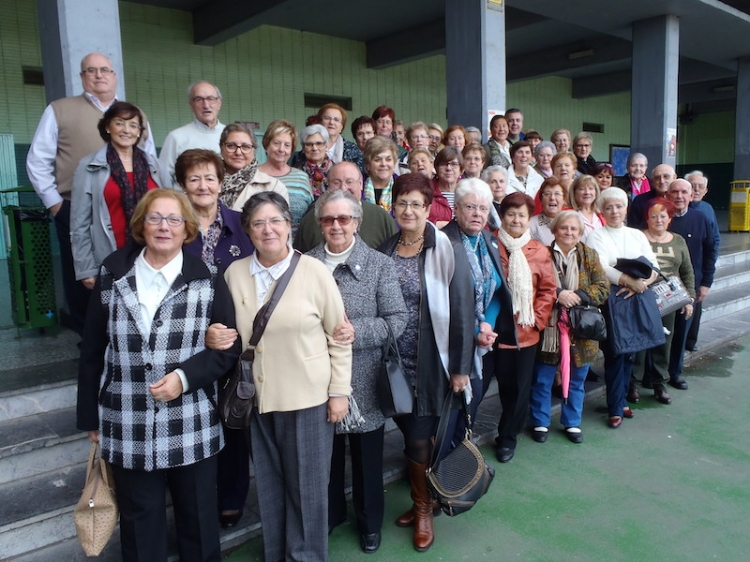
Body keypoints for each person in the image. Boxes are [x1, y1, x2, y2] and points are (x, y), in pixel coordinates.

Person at [77, 189, 241, 562]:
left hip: (191, 419)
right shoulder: (112, 273)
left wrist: (184, 377)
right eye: (155, 218)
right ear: (140, 226)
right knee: (139, 521)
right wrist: (90, 414)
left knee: (199, 519)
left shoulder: (208, 278)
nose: (164, 227)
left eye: (173, 220)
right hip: (126, 418)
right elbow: (90, 349)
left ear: (187, 229)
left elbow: (228, 348)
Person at [222, 192, 352, 561]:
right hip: (258, 398)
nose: (268, 230)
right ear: (247, 230)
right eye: (258, 223)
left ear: (289, 225)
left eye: (275, 221)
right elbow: (229, 330)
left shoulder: (314, 271)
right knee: (270, 483)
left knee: (308, 490)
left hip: (308, 398)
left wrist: (339, 392)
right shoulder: (235, 273)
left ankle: (307, 556)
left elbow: (339, 336)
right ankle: (278, 553)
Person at [306, 189, 407, 554]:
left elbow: (398, 318)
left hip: (364, 378)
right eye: (328, 219)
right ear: (320, 224)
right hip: (317, 379)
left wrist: (358, 331)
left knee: (367, 460)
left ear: (357, 222)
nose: (336, 225)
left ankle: (369, 524)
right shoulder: (305, 263)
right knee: (325, 457)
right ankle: (331, 515)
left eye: (344, 218)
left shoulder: (379, 265)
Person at [26, 52, 155, 335]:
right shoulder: (60, 109)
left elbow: (150, 158)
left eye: (104, 70)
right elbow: (37, 161)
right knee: (88, 284)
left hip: (135, 215)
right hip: (78, 209)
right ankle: (92, 347)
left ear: (114, 75)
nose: (98, 75)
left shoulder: (135, 112)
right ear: (82, 76)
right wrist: (56, 205)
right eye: (91, 71)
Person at [378, 173, 474, 552]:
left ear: (428, 207)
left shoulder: (445, 247)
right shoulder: (385, 248)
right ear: (393, 206)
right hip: (392, 364)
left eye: (416, 203)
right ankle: (430, 497)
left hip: (433, 360)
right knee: (412, 434)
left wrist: (462, 367)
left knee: (419, 439)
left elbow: (463, 309)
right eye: (402, 202)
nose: (408, 210)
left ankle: (422, 508)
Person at [177, 149, 254, 528]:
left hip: (238, 337)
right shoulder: (173, 226)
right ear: (182, 185)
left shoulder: (242, 224)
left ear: (221, 183)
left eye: (210, 178)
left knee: (234, 415)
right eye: (194, 179)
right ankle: (196, 498)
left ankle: (232, 494)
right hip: (187, 341)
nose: (203, 185)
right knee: (194, 418)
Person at [529, 211, 608, 444]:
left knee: (576, 380)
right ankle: (540, 422)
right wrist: (557, 295)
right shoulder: (541, 253)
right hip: (548, 328)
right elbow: (531, 287)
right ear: (554, 230)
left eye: (574, 229)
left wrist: (578, 295)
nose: (569, 233)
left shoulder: (589, 255)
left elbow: (603, 288)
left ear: (580, 232)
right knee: (542, 380)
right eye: (564, 228)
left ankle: (572, 422)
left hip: (581, 331)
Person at [71, 101, 168, 289]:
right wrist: (86, 268)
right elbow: (79, 223)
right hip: (110, 255)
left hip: (154, 254)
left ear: (140, 131)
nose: (126, 130)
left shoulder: (154, 165)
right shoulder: (89, 166)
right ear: (107, 126)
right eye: (119, 123)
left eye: (133, 125)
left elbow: (171, 210)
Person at [585, 187, 659, 429]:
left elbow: (654, 265)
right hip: (612, 299)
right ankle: (615, 407)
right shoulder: (596, 236)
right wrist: (628, 281)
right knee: (616, 353)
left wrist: (643, 283)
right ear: (602, 211)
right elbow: (602, 267)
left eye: (619, 206)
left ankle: (621, 400)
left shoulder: (637, 235)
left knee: (631, 352)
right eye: (609, 207)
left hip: (639, 296)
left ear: (626, 208)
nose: (614, 211)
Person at [442, 179, 513, 426]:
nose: (477, 214)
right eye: (470, 207)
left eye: (483, 208)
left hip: (483, 339)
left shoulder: (488, 239)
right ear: (457, 209)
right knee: (451, 412)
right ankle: (445, 462)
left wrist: (487, 326)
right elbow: (443, 302)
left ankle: (464, 460)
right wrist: (474, 331)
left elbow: (496, 290)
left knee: (472, 404)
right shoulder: (443, 243)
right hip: (451, 343)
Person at [492, 192, 556, 462]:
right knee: (494, 386)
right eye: (511, 214)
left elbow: (548, 289)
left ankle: (508, 438)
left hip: (524, 333)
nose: (516, 219)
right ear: (502, 217)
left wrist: (537, 321)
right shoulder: (490, 244)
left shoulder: (538, 250)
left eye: (522, 215)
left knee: (518, 390)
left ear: (529, 219)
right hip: (492, 331)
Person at [633, 197, 695, 405]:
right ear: (647, 218)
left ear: (669, 219)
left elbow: (687, 272)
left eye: (663, 216)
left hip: (670, 298)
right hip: (641, 296)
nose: (658, 220)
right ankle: (633, 384)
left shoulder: (678, 241)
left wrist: (689, 298)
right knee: (639, 340)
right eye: (654, 216)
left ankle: (660, 383)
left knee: (663, 341)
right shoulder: (637, 238)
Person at [666, 179, 717, 390]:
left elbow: (711, 251)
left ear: (691, 195)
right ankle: (654, 373)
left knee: (681, 332)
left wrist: (706, 283)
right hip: (662, 287)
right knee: (662, 332)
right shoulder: (661, 217)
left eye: (684, 192)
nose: (679, 196)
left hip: (690, 286)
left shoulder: (701, 218)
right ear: (668, 195)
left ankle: (675, 373)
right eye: (675, 192)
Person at [294, 162, 397, 252]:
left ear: (360, 184)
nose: (343, 188)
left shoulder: (380, 217)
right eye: (336, 182)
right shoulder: (312, 219)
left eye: (349, 182)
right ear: (328, 185)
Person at [159, 81, 225, 185]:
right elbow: (163, 177)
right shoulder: (176, 137)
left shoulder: (231, 136)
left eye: (210, 99)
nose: (206, 105)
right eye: (199, 100)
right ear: (191, 105)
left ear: (219, 103)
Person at [684, 170, 720, 351]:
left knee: (697, 305)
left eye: (701, 187)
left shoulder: (707, 209)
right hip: (682, 267)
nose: (696, 190)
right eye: (693, 186)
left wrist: (709, 269)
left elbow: (714, 240)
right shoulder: (681, 207)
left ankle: (691, 341)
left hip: (699, 266)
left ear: (706, 191)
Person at [257, 119, 313, 233]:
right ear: (266, 145)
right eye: (276, 143)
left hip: (298, 245)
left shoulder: (302, 178)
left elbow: (309, 215)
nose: (281, 149)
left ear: (292, 150)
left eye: (287, 145)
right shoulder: (253, 175)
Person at [218, 122, 289, 210]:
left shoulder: (273, 187)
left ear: (254, 150)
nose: (238, 152)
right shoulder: (207, 182)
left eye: (245, 147)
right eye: (231, 146)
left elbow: (279, 222)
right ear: (221, 148)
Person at [316, 103, 365, 175]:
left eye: (336, 119)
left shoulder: (353, 150)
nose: (331, 122)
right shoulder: (309, 147)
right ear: (319, 123)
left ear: (342, 127)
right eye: (327, 118)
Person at [627, 163, 676, 229]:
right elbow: (633, 229)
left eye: (666, 176)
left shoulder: (681, 200)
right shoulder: (640, 201)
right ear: (652, 181)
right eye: (657, 178)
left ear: (674, 177)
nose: (662, 181)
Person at [294, 124, 333, 198]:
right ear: (303, 148)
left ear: (327, 146)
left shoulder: (336, 170)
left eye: (319, 143)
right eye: (309, 144)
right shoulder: (296, 173)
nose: (314, 148)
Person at [363, 136, 398, 210]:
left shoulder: (402, 186)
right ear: (368, 164)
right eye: (377, 160)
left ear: (394, 163)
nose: (383, 164)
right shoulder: (357, 185)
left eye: (388, 159)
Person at [529, 177, 566, 246]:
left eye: (557, 194)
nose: (552, 198)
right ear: (541, 200)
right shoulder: (531, 225)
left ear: (564, 199)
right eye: (547, 194)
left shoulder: (571, 223)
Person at [430, 147, 462, 225]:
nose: (448, 168)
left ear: (461, 169)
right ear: (436, 168)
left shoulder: (468, 192)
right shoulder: (426, 191)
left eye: (454, 164)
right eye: (444, 164)